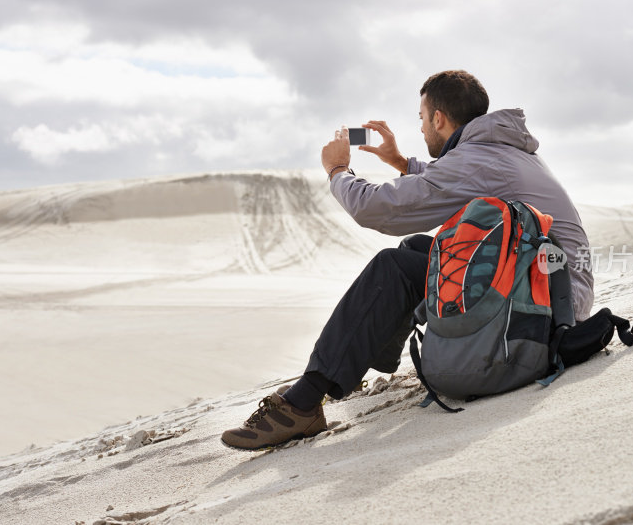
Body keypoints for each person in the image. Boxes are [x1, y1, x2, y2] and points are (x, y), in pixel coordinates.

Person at [221, 70, 594, 450]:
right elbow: (446, 178)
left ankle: (304, 402)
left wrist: (337, 171)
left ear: (438, 118)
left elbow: (377, 209)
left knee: (393, 267)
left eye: (421, 118)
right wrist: (399, 160)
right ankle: (354, 361)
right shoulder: (501, 150)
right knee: (418, 250)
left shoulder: (479, 162)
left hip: (541, 315)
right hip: (550, 294)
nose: (420, 128)